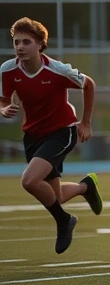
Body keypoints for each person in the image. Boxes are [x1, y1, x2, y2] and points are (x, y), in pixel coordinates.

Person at [0, 17, 103, 254]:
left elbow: (89, 84)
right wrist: (4, 109)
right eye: (16, 42)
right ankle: (85, 187)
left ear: (39, 44)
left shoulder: (57, 70)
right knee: (55, 196)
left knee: (29, 180)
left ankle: (64, 221)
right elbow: (4, 100)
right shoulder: (8, 70)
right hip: (33, 135)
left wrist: (85, 122)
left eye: (26, 41)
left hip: (61, 131)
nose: (20, 47)